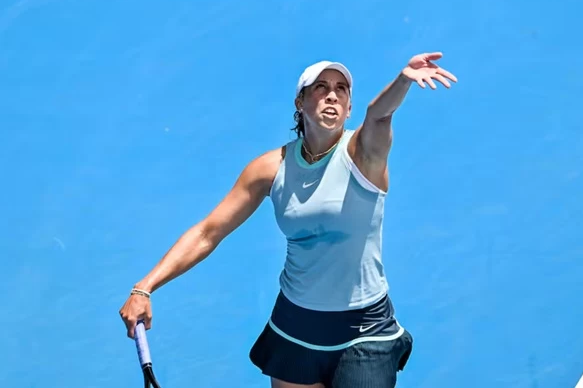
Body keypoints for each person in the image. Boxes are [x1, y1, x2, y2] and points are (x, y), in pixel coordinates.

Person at [119, 52, 458, 387]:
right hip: (296, 326)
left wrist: (402, 81)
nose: (332, 95)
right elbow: (209, 232)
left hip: (364, 329)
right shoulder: (270, 168)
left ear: (349, 108)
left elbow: (379, 115)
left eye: (341, 89)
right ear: (300, 102)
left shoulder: (364, 154)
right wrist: (144, 287)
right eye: (321, 87)